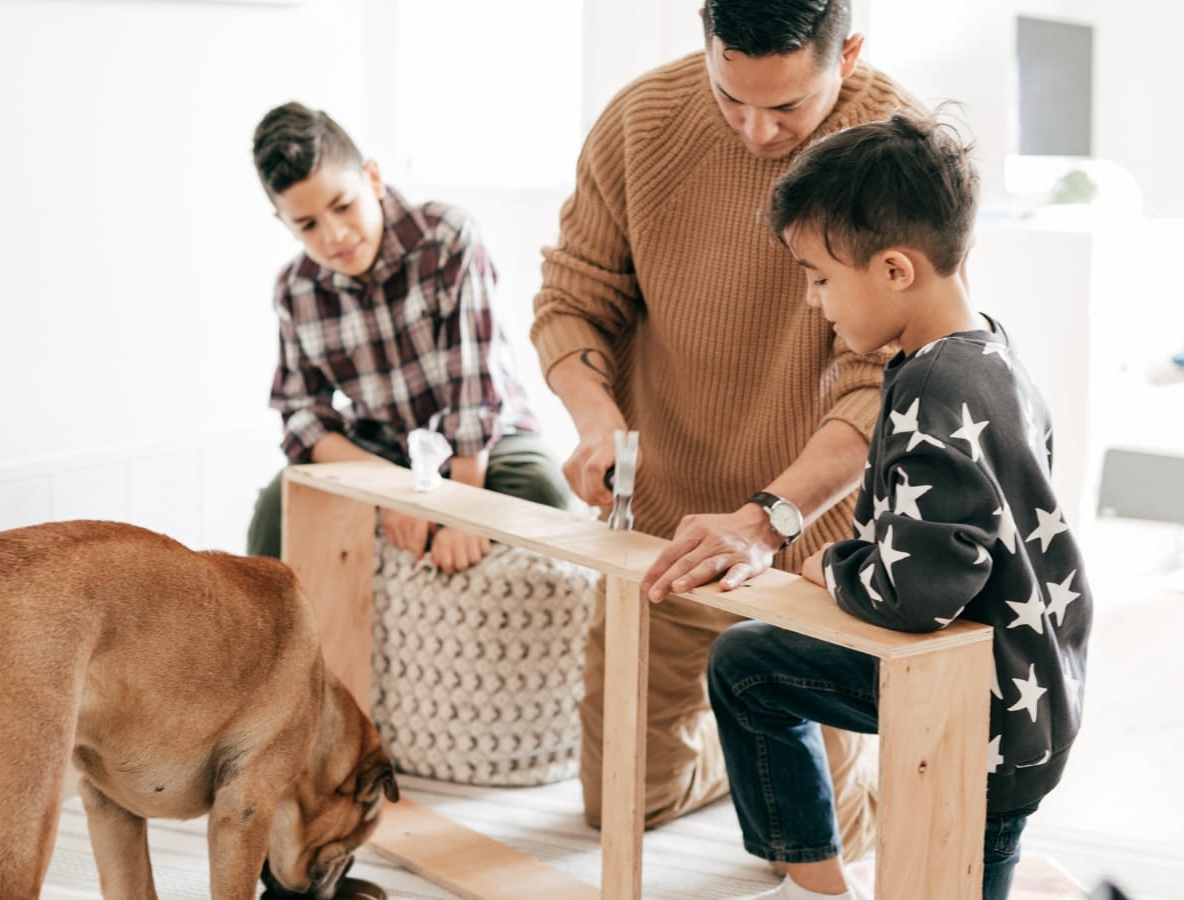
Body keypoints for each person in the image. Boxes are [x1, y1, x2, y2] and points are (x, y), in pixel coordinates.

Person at [530, 0, 921, 857]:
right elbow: (572, 297)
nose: (757, 131)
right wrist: (596, 421)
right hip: (664, 535)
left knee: (834, 838)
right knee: (620, 806)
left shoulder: (894, 152)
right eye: (729, 97)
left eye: (787, 106)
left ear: (848, 55)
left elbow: (885, 385)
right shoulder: (641, 121)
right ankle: (734, 742)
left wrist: (765, 520)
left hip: (810, 548)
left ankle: (796, 754)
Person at [709, 114, 1093, 900]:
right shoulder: (992, 354)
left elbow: (916, 594)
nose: (814, 302)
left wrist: (833, 564)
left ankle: (814, 885)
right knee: (749, 662)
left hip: (977, 710)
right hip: (1028, 690)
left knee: (747, 670)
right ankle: (818, 884)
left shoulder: (934, 386)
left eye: (820, 279)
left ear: (893, 269)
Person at [247, 102, 570, 571]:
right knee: (276, 505)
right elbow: (302, 415)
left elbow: (473, 392)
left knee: (543, 489)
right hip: (379, 450)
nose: (334, 235)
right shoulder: (295, 289)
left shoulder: (447, 238)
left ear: (373, 178)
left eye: (343, 206)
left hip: (483, 444)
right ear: (284, 223)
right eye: (308, 225)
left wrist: (462, 512)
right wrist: (390, 491)